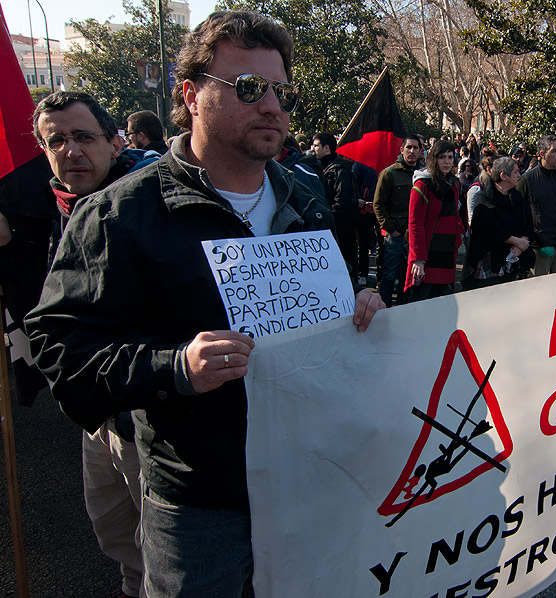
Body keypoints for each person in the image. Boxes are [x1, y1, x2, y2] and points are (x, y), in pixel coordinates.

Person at [26, 12, 383, 596]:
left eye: (281, 91)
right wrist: (175, 368)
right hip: (202, 508)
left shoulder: (308, 198)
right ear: (191, 95)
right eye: (249, 87)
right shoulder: (119, 215)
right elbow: (61, 349)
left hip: (315, 480)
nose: (272, 106)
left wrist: (362, 306)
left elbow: (331, 310)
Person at [30, 90, 160, 598]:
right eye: (56, 141)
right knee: (113, 525)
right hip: (98, 406)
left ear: (115, 141)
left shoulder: (149, 202)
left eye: (83, 136)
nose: (71, 151)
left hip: (147, 409)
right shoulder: (62, 206)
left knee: (159, 541)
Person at [405, 139, 466, 300]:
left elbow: (456, 214)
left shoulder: (454, 184)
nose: (446, 161)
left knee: (444, 305)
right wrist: (418, 258)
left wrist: (460, 235)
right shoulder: (422, 185)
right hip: (427, 253)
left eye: (450, 157)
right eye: (442, 157)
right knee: (422, 303)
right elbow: (415, 223)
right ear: (434, 159)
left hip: (447, 253)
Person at [461, 157, 534, 289]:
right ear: (503, 176)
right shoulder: (485, 198)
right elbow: (489, 229)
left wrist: (522, 241)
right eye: (515, 172)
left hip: (514, 261)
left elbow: (528, 220)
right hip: (491, 262)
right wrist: (516, 241)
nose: (519, 175)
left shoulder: (517, 197)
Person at [516, 135, 556, 275]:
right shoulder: (527, 180)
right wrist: (532, 238)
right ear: (542, 154)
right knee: (538, 287)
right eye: (555, 151)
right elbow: (518, 212)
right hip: (539, 248)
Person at [373, 135, 422, 307]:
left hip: (415, 236)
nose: (412, 151)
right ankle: (384, 311)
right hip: (396, 235)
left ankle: (402, 311)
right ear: (402, 150)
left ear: (420, 151)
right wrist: (392, 230)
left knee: (408, 277)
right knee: (389, 276)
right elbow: (378, 205)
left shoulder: (423, 175)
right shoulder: (389, 173)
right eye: (409, 147)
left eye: (415, 148)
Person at [312, 131, 361, 279]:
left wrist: (329, 219)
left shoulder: (339, 170)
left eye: (316, 145)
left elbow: (342, 200)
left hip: (340, 228)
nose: (313, 149)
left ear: (326, 148)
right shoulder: (321, 167)